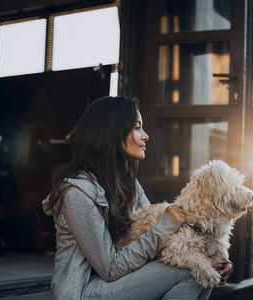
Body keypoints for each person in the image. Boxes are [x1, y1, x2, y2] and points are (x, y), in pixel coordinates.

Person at [42, 96, 233, 300]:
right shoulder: (77, 193)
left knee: (201, 269)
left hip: (118, 282)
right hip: (83, 291)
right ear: (112, 133)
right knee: (192, 272)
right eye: (137, 127)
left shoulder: (128, 183)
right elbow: (110, 267)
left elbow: (157, 239)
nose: (145, 136)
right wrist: (167, 225)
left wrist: (218, 258)